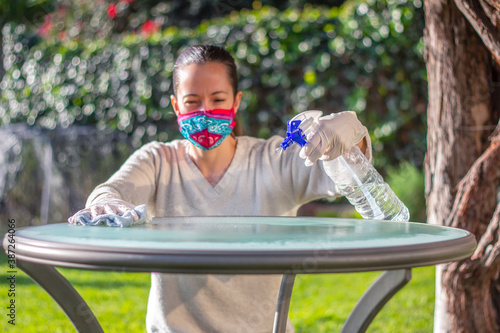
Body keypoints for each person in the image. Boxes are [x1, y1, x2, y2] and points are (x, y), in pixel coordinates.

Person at [69, 44, 371, 333]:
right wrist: (107, 203)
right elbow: (111, 192)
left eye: (217, 99)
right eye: (191, 101)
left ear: (236, 101)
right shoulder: (158, 160)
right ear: (176, 105)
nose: (204, 111)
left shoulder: (274, 160)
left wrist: (349, 134)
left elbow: (346, 174)